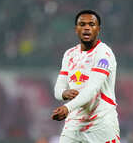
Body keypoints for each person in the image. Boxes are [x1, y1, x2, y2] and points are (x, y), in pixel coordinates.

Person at [51, 10, 120, 143]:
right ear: (76, 29)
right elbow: (58, 88)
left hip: (101, 123)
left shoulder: (104, 54)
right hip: (74, 124)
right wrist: (64, 93)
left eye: (91, 24)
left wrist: (67, 107)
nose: (87, 28)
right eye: (82, 24)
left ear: (98, 29)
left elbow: (91, 90)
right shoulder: (69, 54)